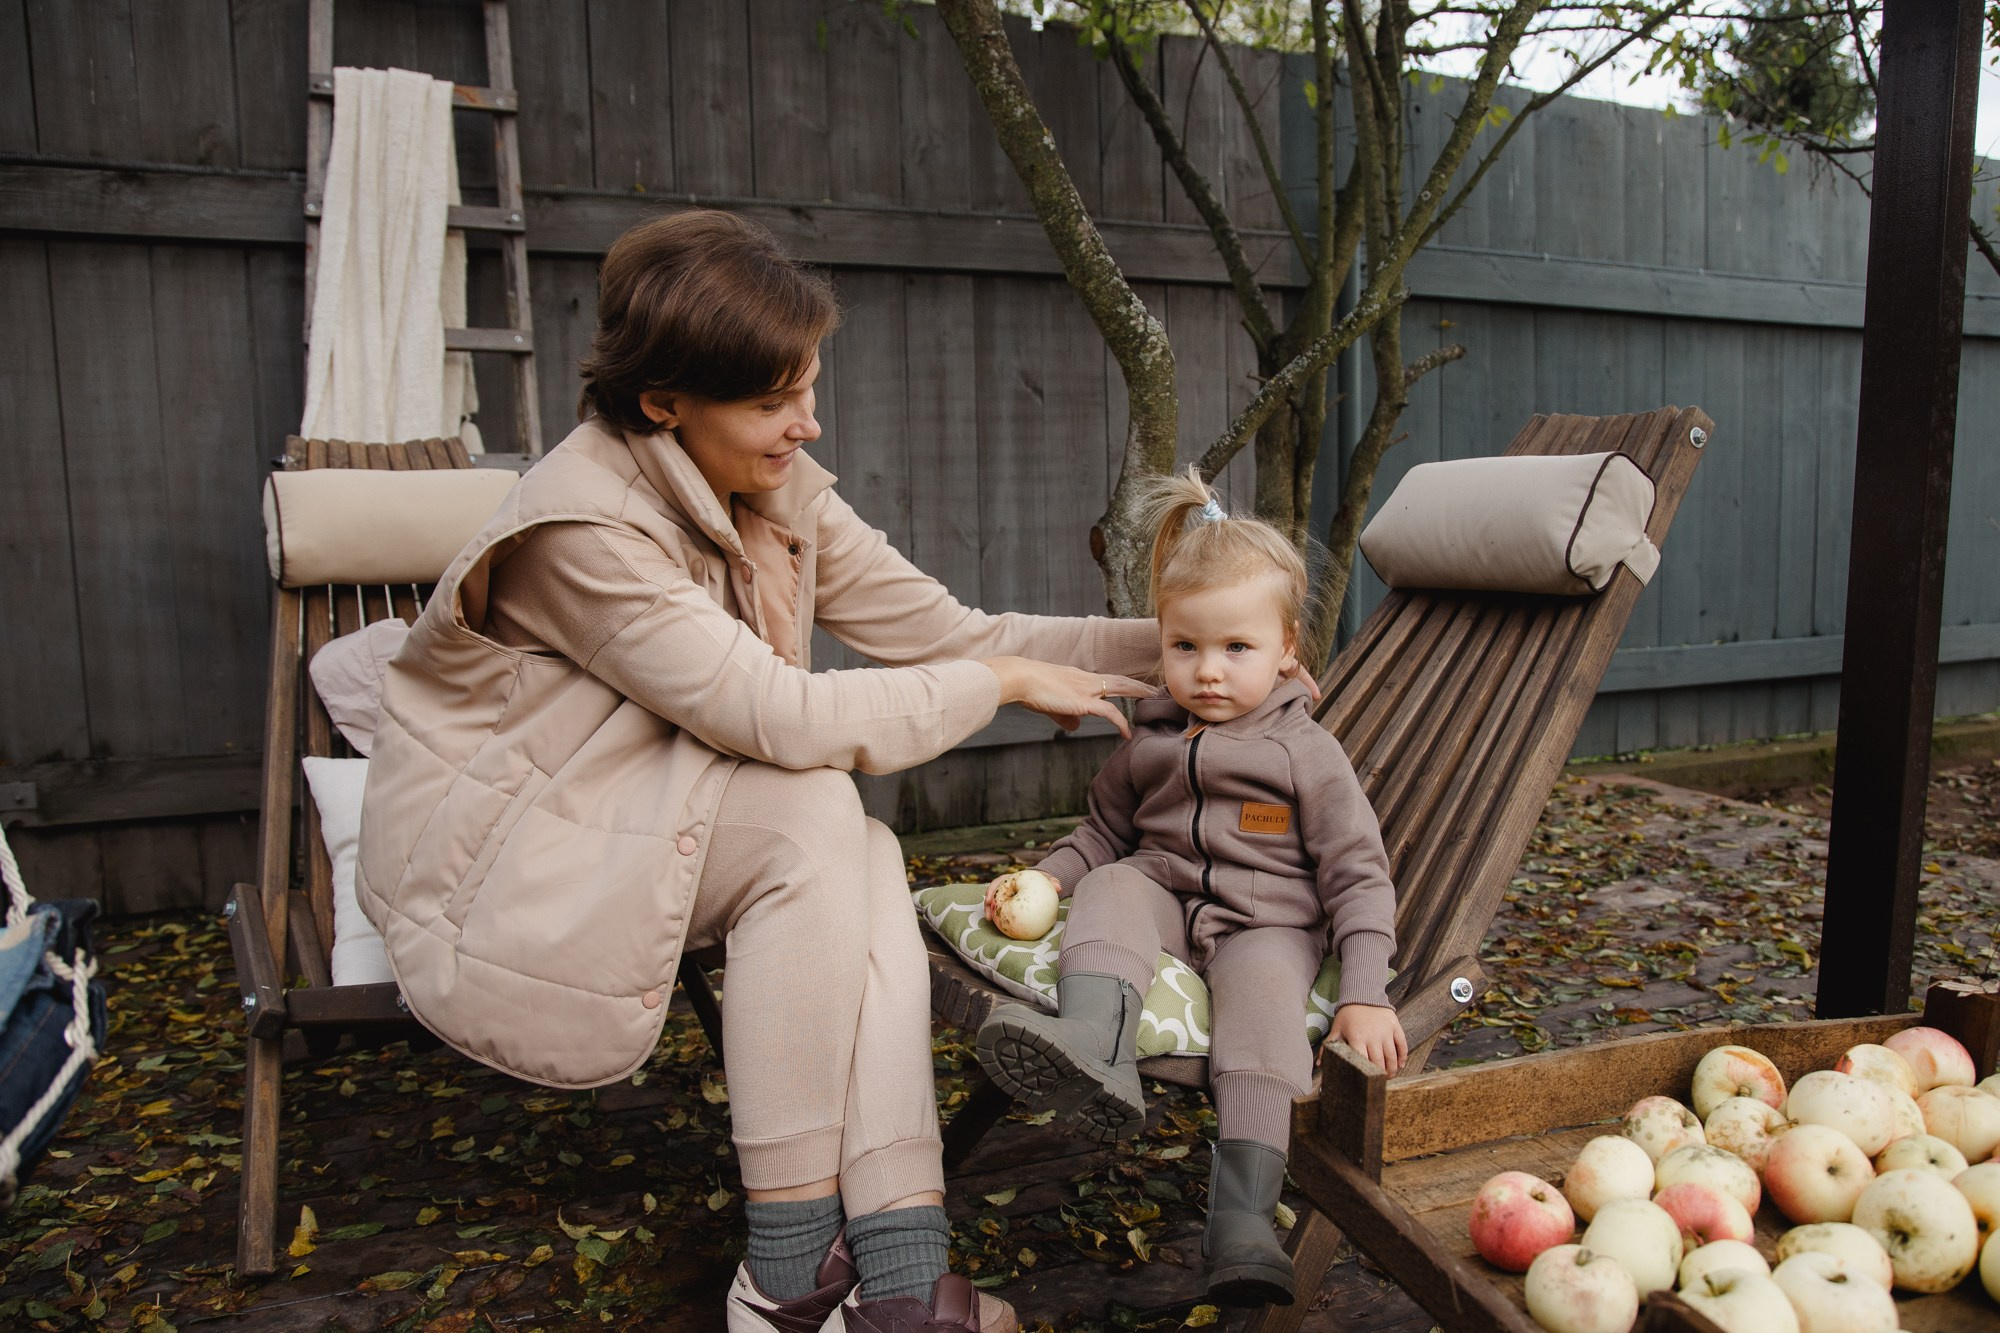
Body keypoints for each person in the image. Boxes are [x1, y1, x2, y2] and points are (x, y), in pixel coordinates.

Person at [354, 209, 1162, 1333]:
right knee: (812, 811)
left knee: (856, 843)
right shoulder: (584, 531)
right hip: (516, 860)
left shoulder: (766, 483)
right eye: (774, 401)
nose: (807, 423)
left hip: (646, 812)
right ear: (663, 403)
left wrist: (1187, 649)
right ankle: (788, 1279)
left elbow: (955, 632)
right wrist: (1002, 683)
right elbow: (777, 714)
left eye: (809, 387)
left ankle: (894, 1283)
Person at [971, 469, 1408, 1309]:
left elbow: (1358, 874)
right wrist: (1047, 877)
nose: (1208, 671)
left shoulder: (1305, 754)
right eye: (1185, 647)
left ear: (1287, 649)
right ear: (1162, 642)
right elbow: (1102, 831)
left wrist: (1364, 991)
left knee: (1263, 1017)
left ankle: (1243, 1219)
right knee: (1112, 884)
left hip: (1267, 925)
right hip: (1164, 892)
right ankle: (1093, 1045)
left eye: (1237, 648)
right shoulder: (1152, 740)